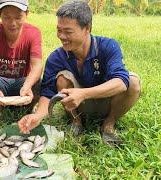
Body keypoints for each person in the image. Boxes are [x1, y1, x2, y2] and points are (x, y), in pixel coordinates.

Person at [18, 0, 141, 145]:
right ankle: (76, 121)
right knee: (61, 79)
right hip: (76, 105)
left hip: (108, 102)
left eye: (68, 31)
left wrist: (84, 93)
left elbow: (122, 82)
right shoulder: (56, 57)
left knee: (133, 82)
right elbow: (47, 92)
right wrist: (37, 116)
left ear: (87, 28)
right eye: (59, 30)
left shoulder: (108, 46)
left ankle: (109, 123)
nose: (61, 36)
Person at [0, 0, 43, 122]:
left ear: (26, 14)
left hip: (22, 83)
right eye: (7, 17)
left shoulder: (34, 33)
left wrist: (27, 86)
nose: (12, 23)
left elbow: (37, 66)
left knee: (38, 82)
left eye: (18, 17)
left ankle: (27, 108)